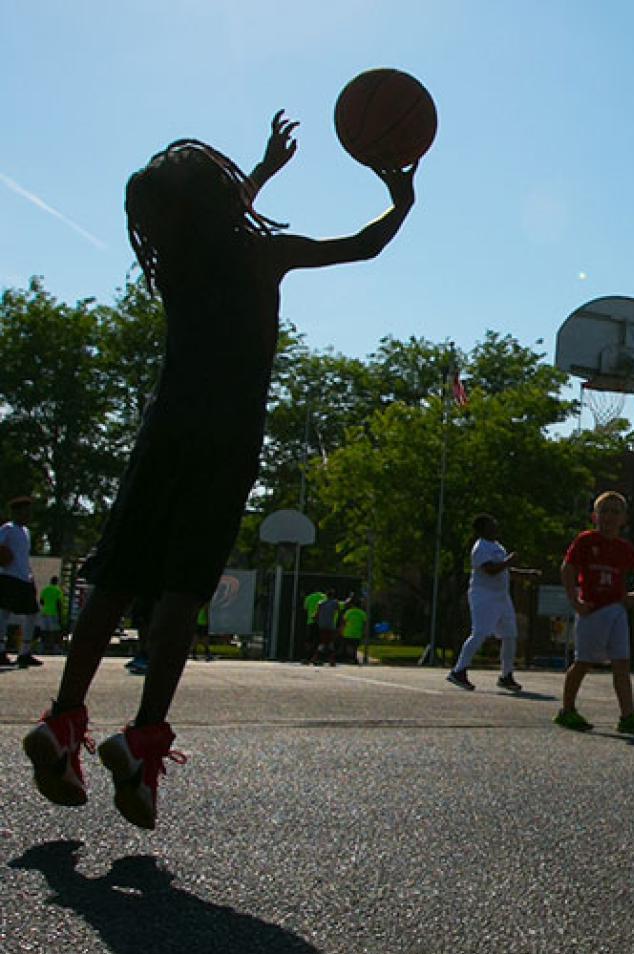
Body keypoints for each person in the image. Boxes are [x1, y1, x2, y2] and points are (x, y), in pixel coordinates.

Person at [21, 109, 417, 829]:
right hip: (225, 439)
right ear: (220, 197)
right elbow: (362, 246)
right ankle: (140, 744)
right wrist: (402, 200)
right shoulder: (260, 257)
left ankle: (64, 717)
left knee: (115, 579)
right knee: (181, 590)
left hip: (162, 429)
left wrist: (262, 172)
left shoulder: (175, 260)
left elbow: (216, 217)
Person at [554, 491, 634, 735]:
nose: (610, 517)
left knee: (621, 663)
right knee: (584, 662)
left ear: (624, 519)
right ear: (595, 516)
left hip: (616, 609)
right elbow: (568, 568)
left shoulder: (623, 548)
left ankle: (627, 714)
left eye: (615, 512)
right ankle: (567, 709)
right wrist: (575, 599)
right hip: (592, 610)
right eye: (605, 511)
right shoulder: (586, 541)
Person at [447, 514, 535, 692]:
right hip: (484, 596)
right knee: (480, 633)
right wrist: (508, 561)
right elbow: (490, 570)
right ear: (482, 529)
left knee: (510, 635)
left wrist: (525, 574)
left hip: (501, 597)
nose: (496, 527)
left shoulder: (497, 546)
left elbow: (504, 570)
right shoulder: (480, 547)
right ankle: (458, 670)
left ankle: (506, 675)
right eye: (492, 525)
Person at [0, 496, 42, 668]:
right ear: (16, 512)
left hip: (24, 578)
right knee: (3, 613)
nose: (28, 514)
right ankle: (1, 650)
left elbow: (24, 557)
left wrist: (30, 576)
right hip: (8, 576)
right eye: (25, 511)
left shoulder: (26, 531)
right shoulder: (7, 529)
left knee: (32, 613)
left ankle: (24, 652)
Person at [309, 592, 342, 666]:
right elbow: (339, 612)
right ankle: (330, 660)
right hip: (330, 625)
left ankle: (315, 658)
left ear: (326, 596)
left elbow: (316, 614)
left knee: (323, 642)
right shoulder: (335, 603)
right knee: (330, 642)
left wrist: (316, 620)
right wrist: (339, 625)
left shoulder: (321, 603)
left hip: (322, 625)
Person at [37, 575, 67, 654]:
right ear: (57, 582)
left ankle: (42, 648)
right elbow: (58, 603)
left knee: (44, 632)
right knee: (55, 632)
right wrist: (60, 616)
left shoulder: (45, 589)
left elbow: (41, 601)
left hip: (44, 613)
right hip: (54, 613)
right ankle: (56, 649)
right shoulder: (58, 590)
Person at [340, 592, 368, 665]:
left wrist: (341, 630)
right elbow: (365, 624)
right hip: (357, 633)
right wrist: (364, 632)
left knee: (348, 646)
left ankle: (352, 658)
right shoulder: (362, 613)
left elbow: (344, 622)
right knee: (355, 647)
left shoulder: (348, 612)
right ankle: (354, 658)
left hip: (348, 632)